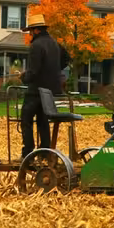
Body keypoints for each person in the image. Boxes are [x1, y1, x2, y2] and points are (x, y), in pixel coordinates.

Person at [18, 14, 71, 160]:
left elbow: (34, 72)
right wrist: (53, 70)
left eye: (30, 31)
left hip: (36, 91)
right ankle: (45, 152)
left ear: (35, 30)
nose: (29, 34)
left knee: (26, 120)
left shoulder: (36, 45)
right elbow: (67, 59)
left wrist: (24, 77)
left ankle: (28, 153)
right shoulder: (55, 43)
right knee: (42, 121)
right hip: (50, 91)